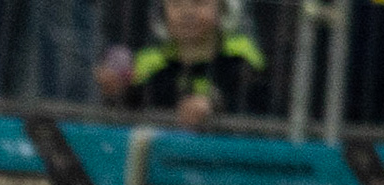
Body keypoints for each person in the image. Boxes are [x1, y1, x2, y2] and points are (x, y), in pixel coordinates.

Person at [95, 0, 268, 128]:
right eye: (176, 4)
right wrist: (117, 91)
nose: (187, 13)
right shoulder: (151, 63)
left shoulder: (241, 60)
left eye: (199, 3)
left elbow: (257, 106)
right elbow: (134, 107)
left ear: (224, 10)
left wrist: (214, 105)